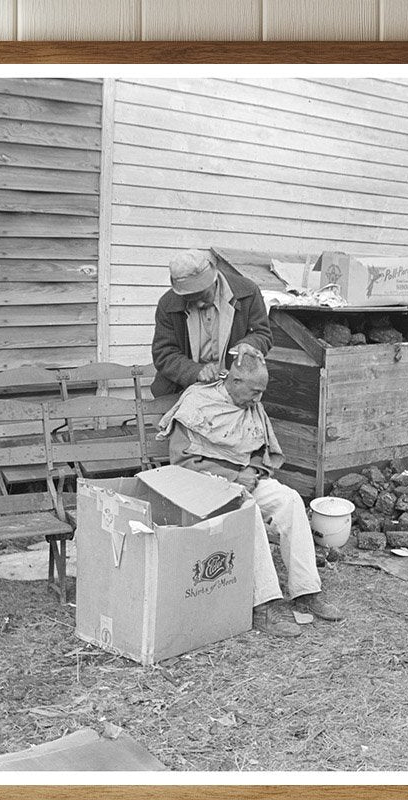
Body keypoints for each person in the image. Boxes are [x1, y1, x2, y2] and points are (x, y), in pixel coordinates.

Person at [156, 351, 343, 639]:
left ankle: (306, 591)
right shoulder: (197, 402)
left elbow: (260, 449)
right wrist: (234, 477)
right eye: (254, 391)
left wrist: (253, 471)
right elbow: (182, 464)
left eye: (262, 392)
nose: (258, 399)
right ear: (235, 380)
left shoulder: (251, 405)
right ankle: (263, 605)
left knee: (290, 500)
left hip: (245, 478)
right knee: (249, 509)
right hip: (204, 484)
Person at [150, 248, 272, 397]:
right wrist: (195, 371)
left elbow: (262, 333)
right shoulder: (168, 304)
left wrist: (249, 344)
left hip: (232, 387)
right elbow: (164, 353)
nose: (199, 304)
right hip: (182, 388)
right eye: (190, 298)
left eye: (202, 295)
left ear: (213, 280)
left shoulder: (248, 292)